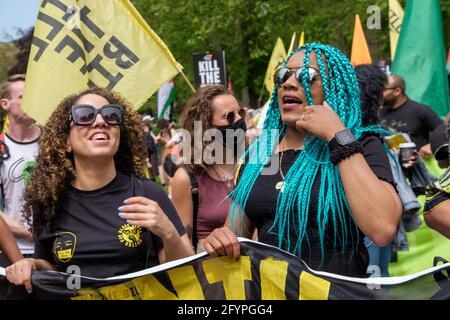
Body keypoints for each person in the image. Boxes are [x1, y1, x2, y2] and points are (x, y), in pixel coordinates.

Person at [203, 43, 402, 277]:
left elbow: (382, 228)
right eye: (283, 75)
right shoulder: (257, 155)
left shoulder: (361, 144)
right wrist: (220, 239)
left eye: (306, 76)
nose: (288, 82)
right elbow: (235, 236)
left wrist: (337, 136)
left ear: (334, 89)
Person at [5, 88, 194, 293]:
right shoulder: (49, 203)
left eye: (111, 115)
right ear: (66, 142)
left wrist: (168, 232)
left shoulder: (148, 193)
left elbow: (187, 274)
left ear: (119, 134)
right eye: (84, 116)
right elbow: (55, 271)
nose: (100, 121)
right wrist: (34, 265)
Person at [171, 85, 246, 252]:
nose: (239, 120)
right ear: (206, 127)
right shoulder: (187, 178)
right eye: (229, 116)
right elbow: (183, 246)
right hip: (214, 273)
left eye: (241, 113)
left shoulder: (251, 164)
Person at [0, 74, 41, 262]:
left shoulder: (53, 142)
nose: (31, 101)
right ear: (5, 104)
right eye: (23, 96)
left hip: (58, 248)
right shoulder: (1, 148)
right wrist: (29, 233)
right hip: (13, 251)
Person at [379, 74, 443, 158]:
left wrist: (431, 146)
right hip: (388, 168)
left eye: (383, 90)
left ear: (397, 91)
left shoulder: (420, 110)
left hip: (417, 168)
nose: (379, 94)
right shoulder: (377, 113)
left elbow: (445, 132)